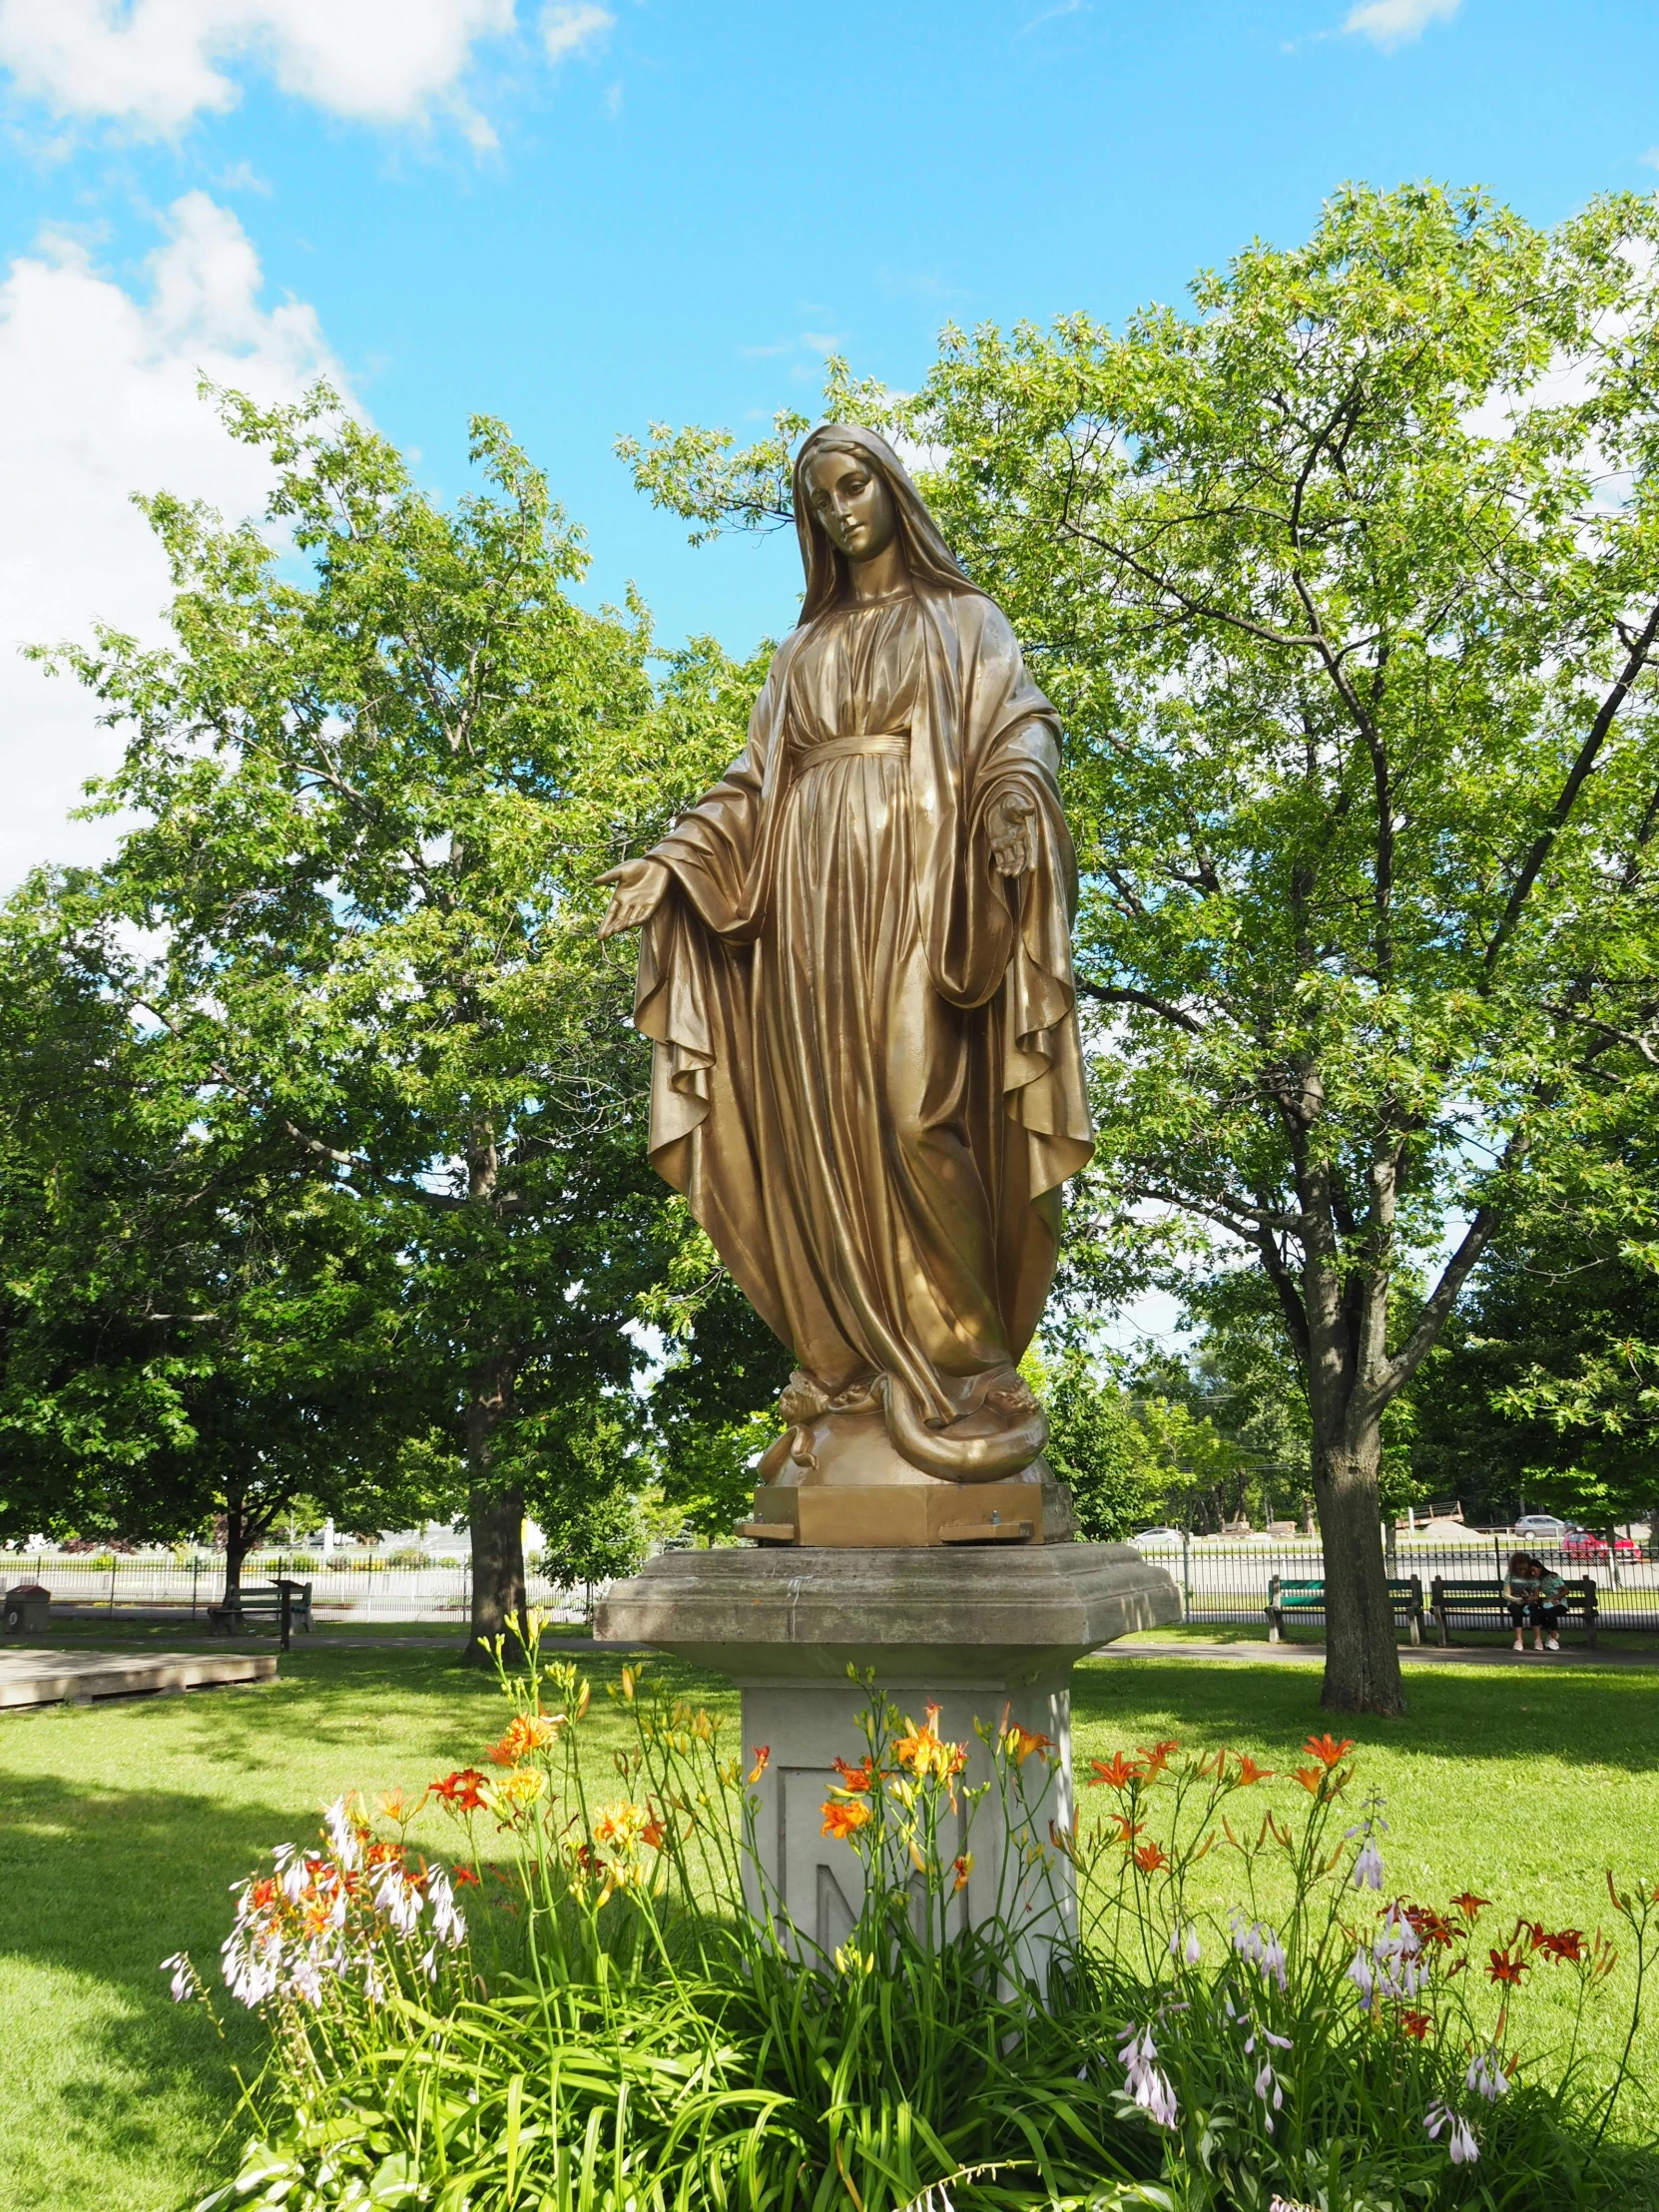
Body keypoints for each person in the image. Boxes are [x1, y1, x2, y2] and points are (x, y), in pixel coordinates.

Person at [597, 423, 1093, 1484]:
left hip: (918, 884)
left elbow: (1022, 726)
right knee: (823, 1128)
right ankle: (851, 1364)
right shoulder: (800, 651)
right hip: (808, 907)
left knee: (918, 1109)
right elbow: (749, 785)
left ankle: (971, 1358)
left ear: (892, 488)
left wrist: (1014, 800)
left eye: (854, 484)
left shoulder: (965, 619)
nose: (840, 509)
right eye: (819, 499)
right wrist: (673, 863)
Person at [1506, 1551, 1566, 1653]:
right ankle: (1552, 1634)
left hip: (1559, 1603)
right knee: (1539, 1613)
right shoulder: (1537, 1579)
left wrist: (1552, 1599)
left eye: (1534, 1570)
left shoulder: (1553, 1576)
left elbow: (1566, 1590)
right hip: (1547, 1603)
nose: (1533, 1573)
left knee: (1548, 1612)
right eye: (1531, 1571)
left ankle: (1554, 1638)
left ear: (1540, 1568)